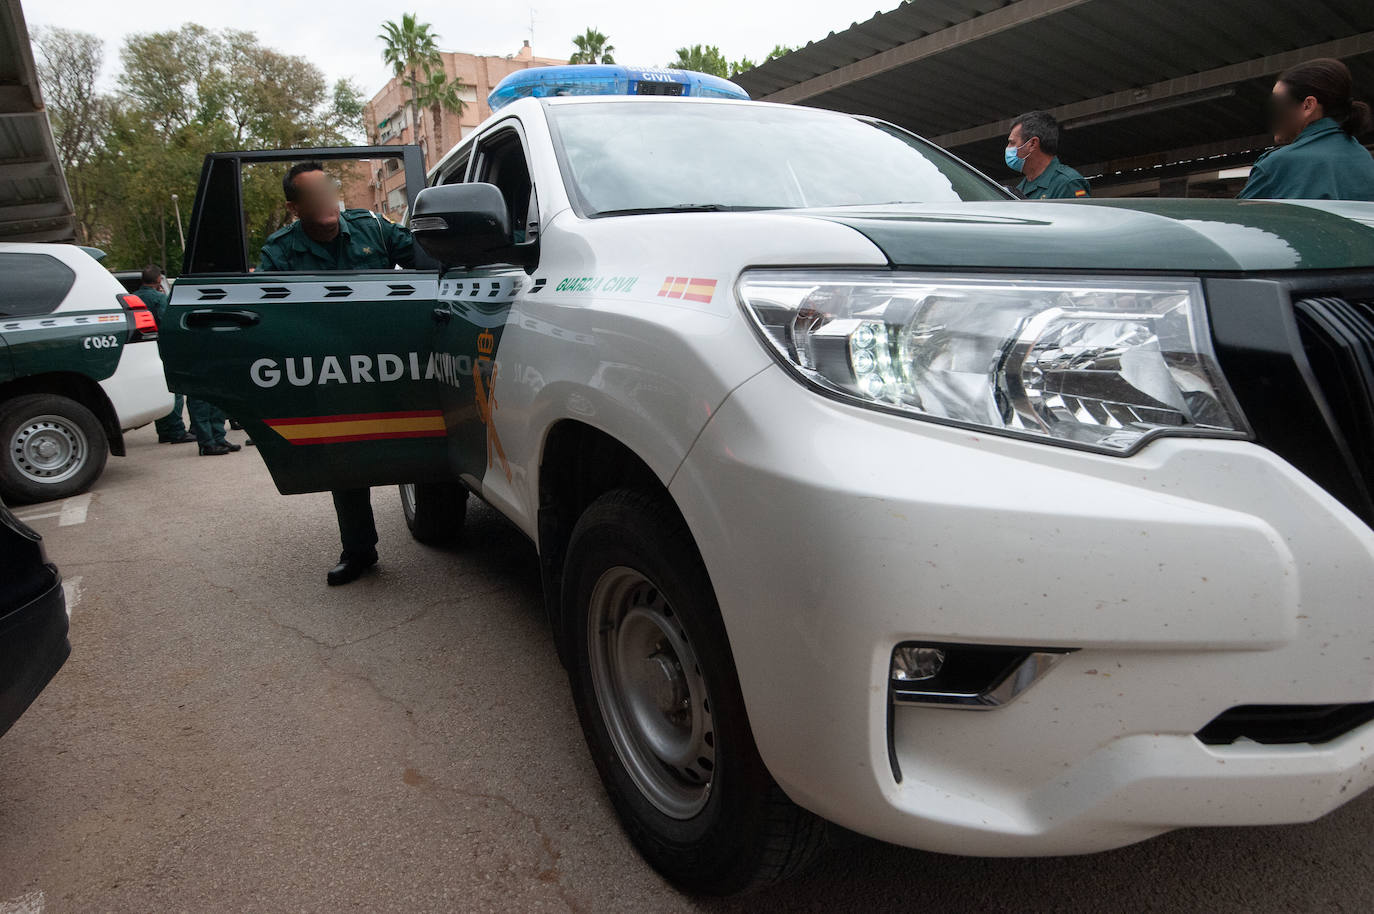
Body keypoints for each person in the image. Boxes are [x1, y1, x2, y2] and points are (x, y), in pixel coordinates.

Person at [257, 161, 415, 586]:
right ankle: (360, 551)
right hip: (331, 371)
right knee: (346, 461)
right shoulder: (280, 251)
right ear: (295, 208)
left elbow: (428, 258)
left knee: (423, 443)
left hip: (396, 361)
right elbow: (268, 318)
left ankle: (438, 517)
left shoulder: (373, 229)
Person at [1238, 58, 1374, 201]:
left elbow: (1239, 220)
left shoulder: (1280, 164)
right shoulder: (1365, 160)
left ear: (1308, 106)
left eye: (1278, 104)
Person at [134, 264, 195, 444]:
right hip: (162, 346)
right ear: (159, 280)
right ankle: (176, 430)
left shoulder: (133, 298)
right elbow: (167, 322)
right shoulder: (159, 298)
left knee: (159, 388)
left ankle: (163, 430)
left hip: (142, 348)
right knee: (174, 390)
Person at [1005, 111, 1091, 200]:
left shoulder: (1068, 183)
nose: (1008, 148)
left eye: (1012, 143)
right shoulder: (1020, 189)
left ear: (1032, 144)